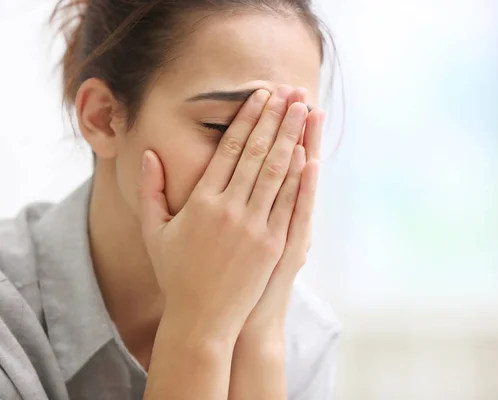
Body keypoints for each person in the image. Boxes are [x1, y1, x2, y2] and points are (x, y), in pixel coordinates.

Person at [0, 0, 340, 398]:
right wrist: (198, 332)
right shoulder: (11, 331)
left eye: (291, 135)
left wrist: (258, 337)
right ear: (103, 117)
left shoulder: (303, 338)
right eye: (225, 126)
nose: (269, 166)